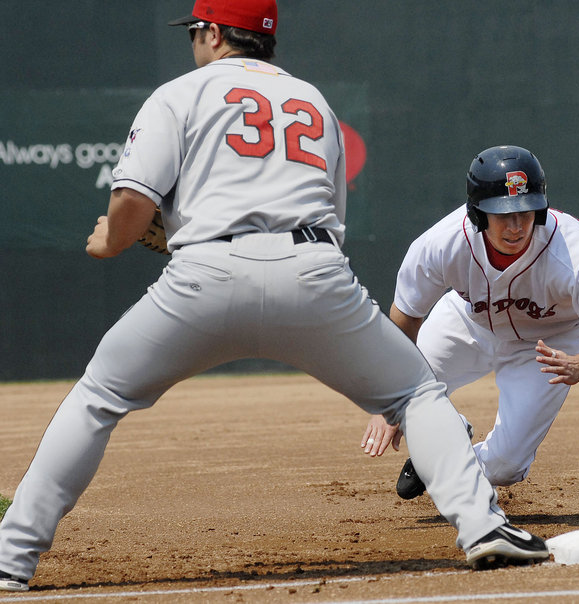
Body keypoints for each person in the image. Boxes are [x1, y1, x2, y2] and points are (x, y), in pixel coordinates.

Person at [0, 3, 548, 593]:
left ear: (212, 33)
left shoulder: (178, 94)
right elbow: (332, 221)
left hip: (203, 273)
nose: (194, 43)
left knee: (99, 396)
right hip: (311, 270)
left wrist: (110, 241)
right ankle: (482, 526)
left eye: (196, 33)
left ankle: (11, 558)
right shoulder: (315, 101)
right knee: (416, 393)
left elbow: (132, 208)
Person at [361, 145, 579, 502]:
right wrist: (392, 400)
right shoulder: (443, 243)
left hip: (547, 345)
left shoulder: (571, 250)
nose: (516, 226)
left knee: (506, 466)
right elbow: (406, 315)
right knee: (408, 395)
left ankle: (447, 462)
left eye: (526, 212)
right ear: (477, 213)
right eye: (502, 215)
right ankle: (449, 430)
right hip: (469, 322)